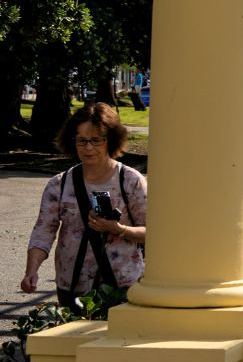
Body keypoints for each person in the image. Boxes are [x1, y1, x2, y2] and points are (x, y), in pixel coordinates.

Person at [21, 103, 148, 310]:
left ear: (111, 141)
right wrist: (31, 271)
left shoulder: (130, 181)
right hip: (71, 286)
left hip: (123, 286)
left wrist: (119, 230)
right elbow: (43, 231)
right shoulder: (59, 184)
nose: (88, 148)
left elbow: (154, 233)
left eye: (96, 140)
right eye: (81, 141)